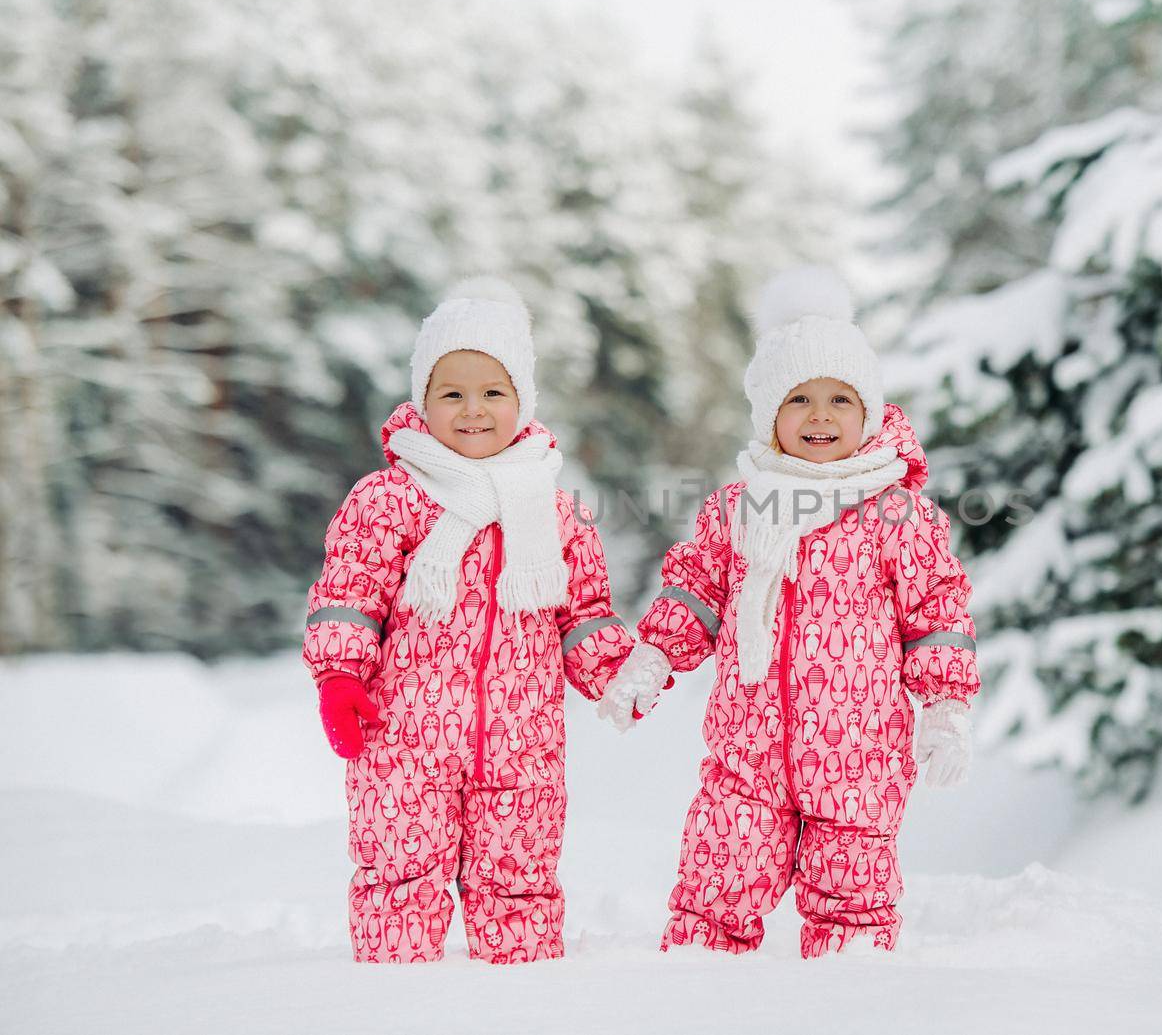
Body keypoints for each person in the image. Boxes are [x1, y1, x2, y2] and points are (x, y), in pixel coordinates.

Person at [600, 266, 980, 957]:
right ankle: (693, 995)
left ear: (867, 412)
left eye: (840, 399)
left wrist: (945, 706)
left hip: (858, 758)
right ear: (769, 414)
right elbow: (696, 593)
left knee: (852, 909)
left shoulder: (897, 514)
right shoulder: (739, 509)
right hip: (746, 755)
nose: (821, 416)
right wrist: (651, 659)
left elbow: (936, 611)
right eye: (799, 399)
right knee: (712, 894)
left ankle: (845, 1001)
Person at [304, 277, 632, 963]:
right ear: (423, 401)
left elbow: (583, 612)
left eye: (493, 393)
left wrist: (613, 673)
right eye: (452, 393)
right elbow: (350, 590)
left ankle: (521, 1002)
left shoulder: (553, 508)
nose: (473, 410)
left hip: (522, 741)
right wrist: (339, 674)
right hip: (403, 736)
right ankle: (394, 997)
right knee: (399, 872)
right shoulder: (390, 498)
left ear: (523, 402)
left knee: (519, 880)